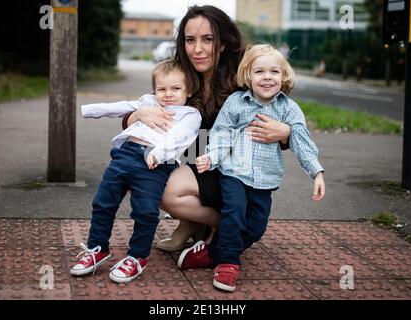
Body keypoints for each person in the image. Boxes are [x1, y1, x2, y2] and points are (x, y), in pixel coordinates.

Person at [121, 5, 292, 252]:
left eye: (208, 39)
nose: (197, 49)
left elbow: (287, 115)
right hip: (199, 164)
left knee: (168, 186)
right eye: (190, 40)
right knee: (144, 177)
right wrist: (136, 115)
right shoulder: (181, 74)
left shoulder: (245, 74)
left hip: (237, 172)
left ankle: (225, 223)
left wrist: (285, 132)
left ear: (223, 42)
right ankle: (209, 223)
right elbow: (146, 109)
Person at [184, 44, 326, 292]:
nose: (267, 77)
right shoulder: (237, 102)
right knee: (234, 214)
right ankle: (227, 264)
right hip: (234, 172)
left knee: (256, 227)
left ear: (284, 76)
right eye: (260, 71)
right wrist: (211, 157)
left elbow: (302, 140)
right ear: (248, 76)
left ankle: (211, 252)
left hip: (264, 178)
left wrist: (317, 172)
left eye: (274, 71)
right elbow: (221, 134)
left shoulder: (288, 109)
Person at [70, 59, 201, 283]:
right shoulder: (149, 102)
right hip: (125, 155)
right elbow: (122, 106)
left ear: (188, 90)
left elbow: (182, 137)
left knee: (145, 212)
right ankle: (97, 248)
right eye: (162, 89)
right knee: (103, 203)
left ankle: (136, 257)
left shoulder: (189, 114)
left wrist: (158, 153)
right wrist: (89, 110)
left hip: (155, 163)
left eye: (176, 88)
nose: (168, 94)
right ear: (154, 90)